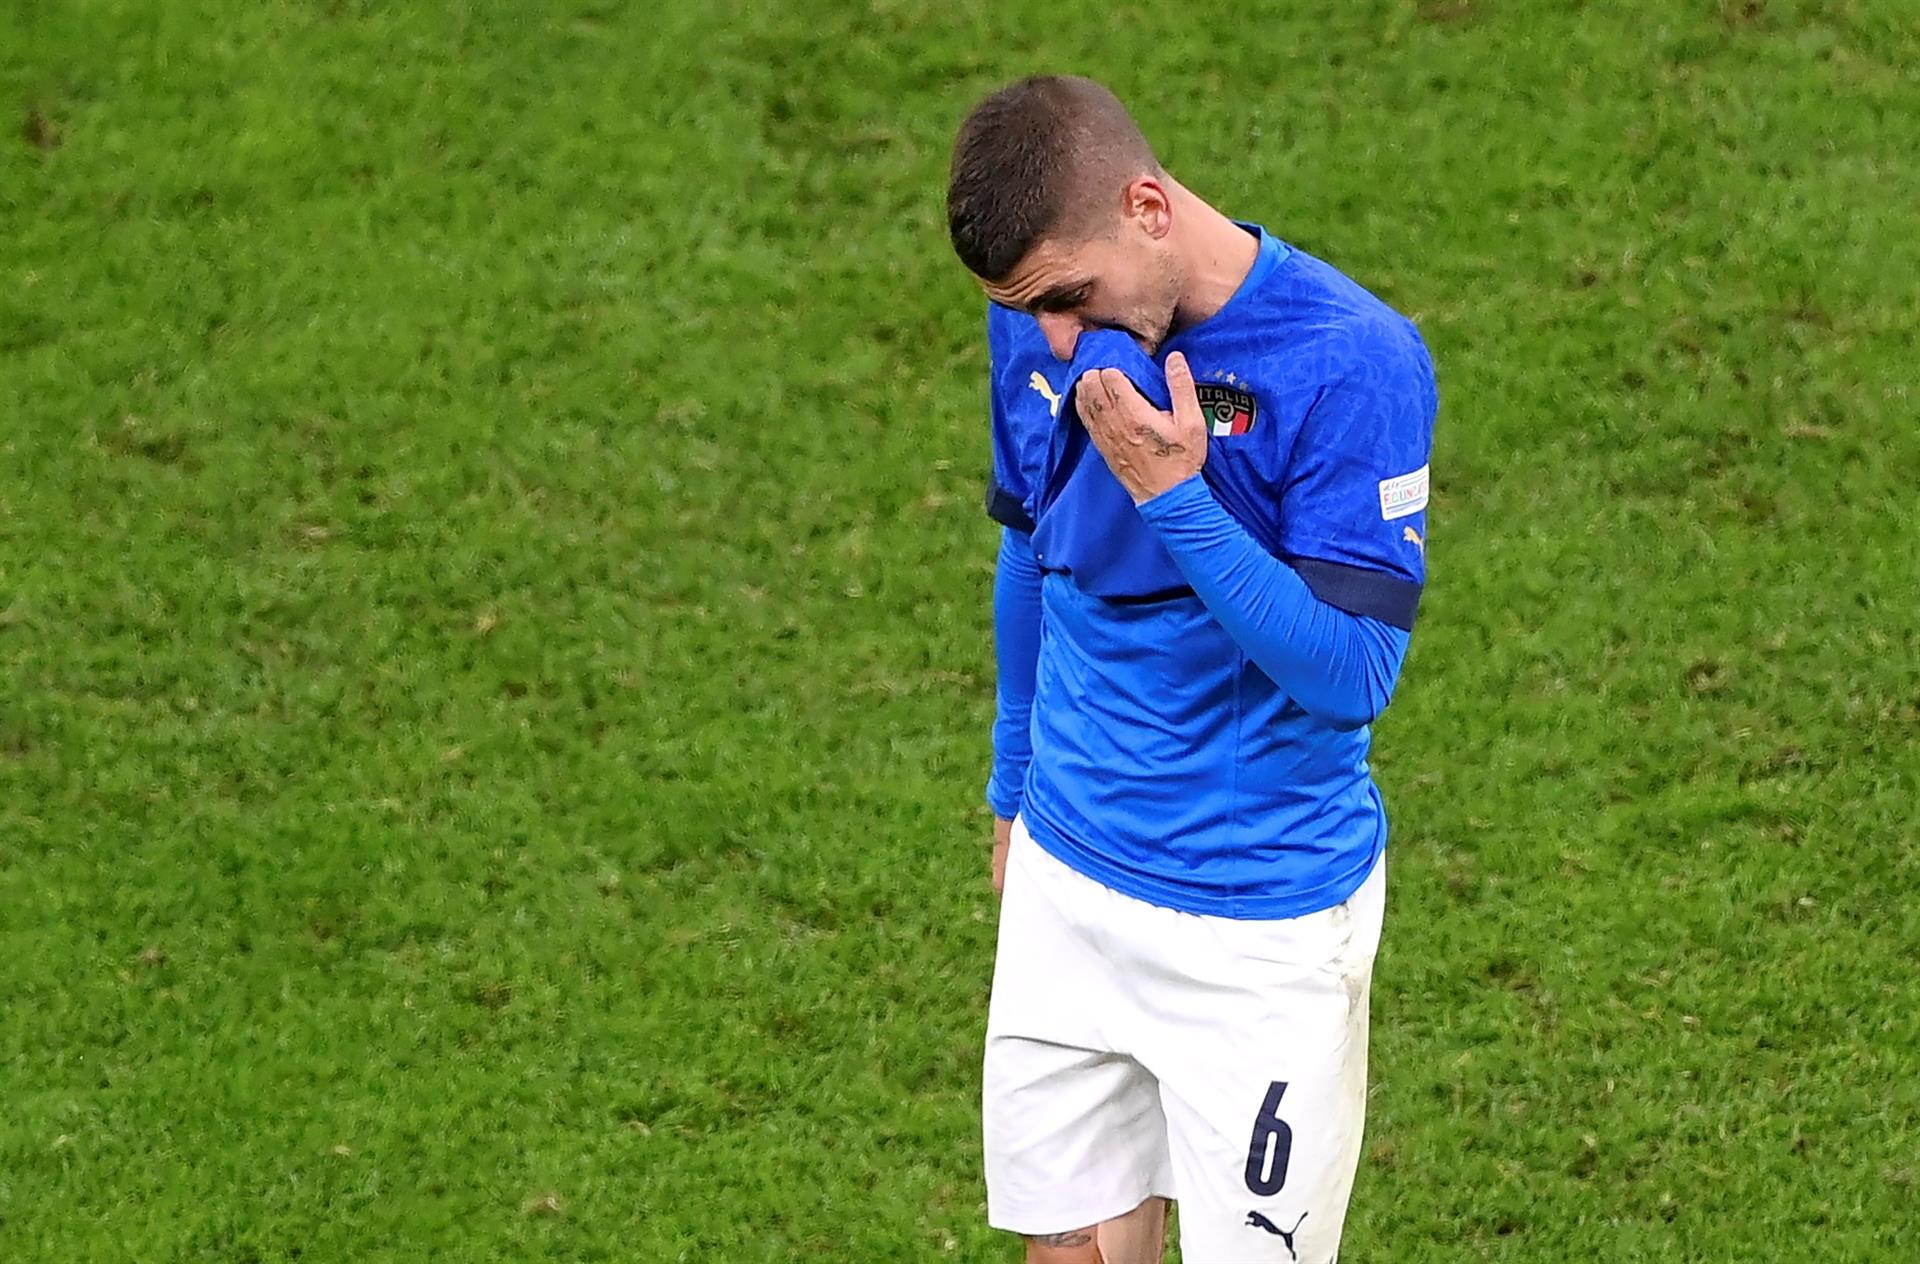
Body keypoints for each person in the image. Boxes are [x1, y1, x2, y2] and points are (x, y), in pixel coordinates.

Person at [946, 76, 1437, 1263]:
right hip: (1069, 873)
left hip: (1254, 927)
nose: (1054, 338)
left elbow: (1352, 672)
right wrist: (1014, 789)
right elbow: (1030, 548)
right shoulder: (1043, 308)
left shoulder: (1352, 361)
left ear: (1149, 209)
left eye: (1069, 299)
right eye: (1027, 309)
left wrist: (1176, 497)